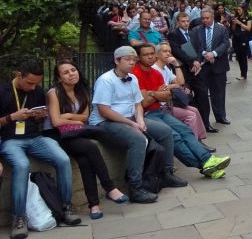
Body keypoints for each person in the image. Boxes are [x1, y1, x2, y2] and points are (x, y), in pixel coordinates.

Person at [89, 46, 186, 204]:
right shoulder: (105, 80)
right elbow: (104, 110)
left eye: (134, 60)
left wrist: (139, 120)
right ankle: (136, 187)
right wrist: (131, 123)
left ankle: (167, 173)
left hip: (130, 117)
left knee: (165, 131)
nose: (131, 63)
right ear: (116, 61)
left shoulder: (132, 78)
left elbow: (137, 104)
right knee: (138, 139)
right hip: (106, 122)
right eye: (127, 60)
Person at [0, 59, 81, 238]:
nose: (33, 87)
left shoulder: (37, 91)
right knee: (22, 165)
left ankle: (66, 207)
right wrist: (11, 117)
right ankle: (19, 218)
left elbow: (42, 119)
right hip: (10, 140)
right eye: (30, 83)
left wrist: (39, 116)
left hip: (34, 137)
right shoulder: (3, 91)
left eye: (37, 83)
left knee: (62, 158)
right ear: (18, 75)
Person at [131, 44, 231, 179]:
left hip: (159, 110)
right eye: (145, 54)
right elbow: (144, 102)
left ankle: (207, 161)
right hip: (145, 115)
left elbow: (169, 95)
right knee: (174, 136)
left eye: (151, 54)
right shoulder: (135, 74)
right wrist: (158, 94)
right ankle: (205, 164)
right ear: (138, 58)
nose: (150, 57)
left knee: (185, 130)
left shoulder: (155, 73)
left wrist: (153, 94)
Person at [46, 60, 128, 220]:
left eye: (73, 70)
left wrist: (69, 117)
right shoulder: (54, 93)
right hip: (56, 134)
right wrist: (76, 121)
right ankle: (109, 187)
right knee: (90, 147)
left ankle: (94, 205)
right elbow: (56, 122)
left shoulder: (81, 90)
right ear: (58, 78)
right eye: (66, 72)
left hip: (74, 132)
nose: (71, 74)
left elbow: (84, 117)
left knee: (84, 160)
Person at [153, 42, 211, 149]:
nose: (168, 54)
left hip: (170, 103)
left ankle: (198, 140)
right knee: (190, 115)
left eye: (169, 51)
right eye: (164, 51)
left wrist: (176, 65)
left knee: (195, 110)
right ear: (156, 54)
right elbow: (161, 89)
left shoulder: (166, 68)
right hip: (162, 106)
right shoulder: (155, 69)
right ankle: (193, 146)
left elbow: (181, 82)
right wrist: (172, 86)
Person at [189, 7, 231, 127]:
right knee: (202, 94)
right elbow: (194, 45)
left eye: (207, 18)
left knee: (219, 92)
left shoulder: (221, 29)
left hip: (219, 66)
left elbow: (225, 44)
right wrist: (205, 54)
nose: (205, 21)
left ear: (212, 17)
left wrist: (214, 53)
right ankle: (204, 120)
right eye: (203, 18)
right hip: (202, 67)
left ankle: (220, 116)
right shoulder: (196, 30)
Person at [229, 6, 252, 81]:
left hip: (243, 39)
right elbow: (233, 29)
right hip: (236, 39)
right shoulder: (236, 17)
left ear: (243, 10)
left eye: (239, 9)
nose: (238, 11)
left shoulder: (248, 17)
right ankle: (242, 73)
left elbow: (248, 28)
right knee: (238, 56)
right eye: (237, 9)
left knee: (243, 57)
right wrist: (234, 23)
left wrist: (239, 23)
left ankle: (244, 74)